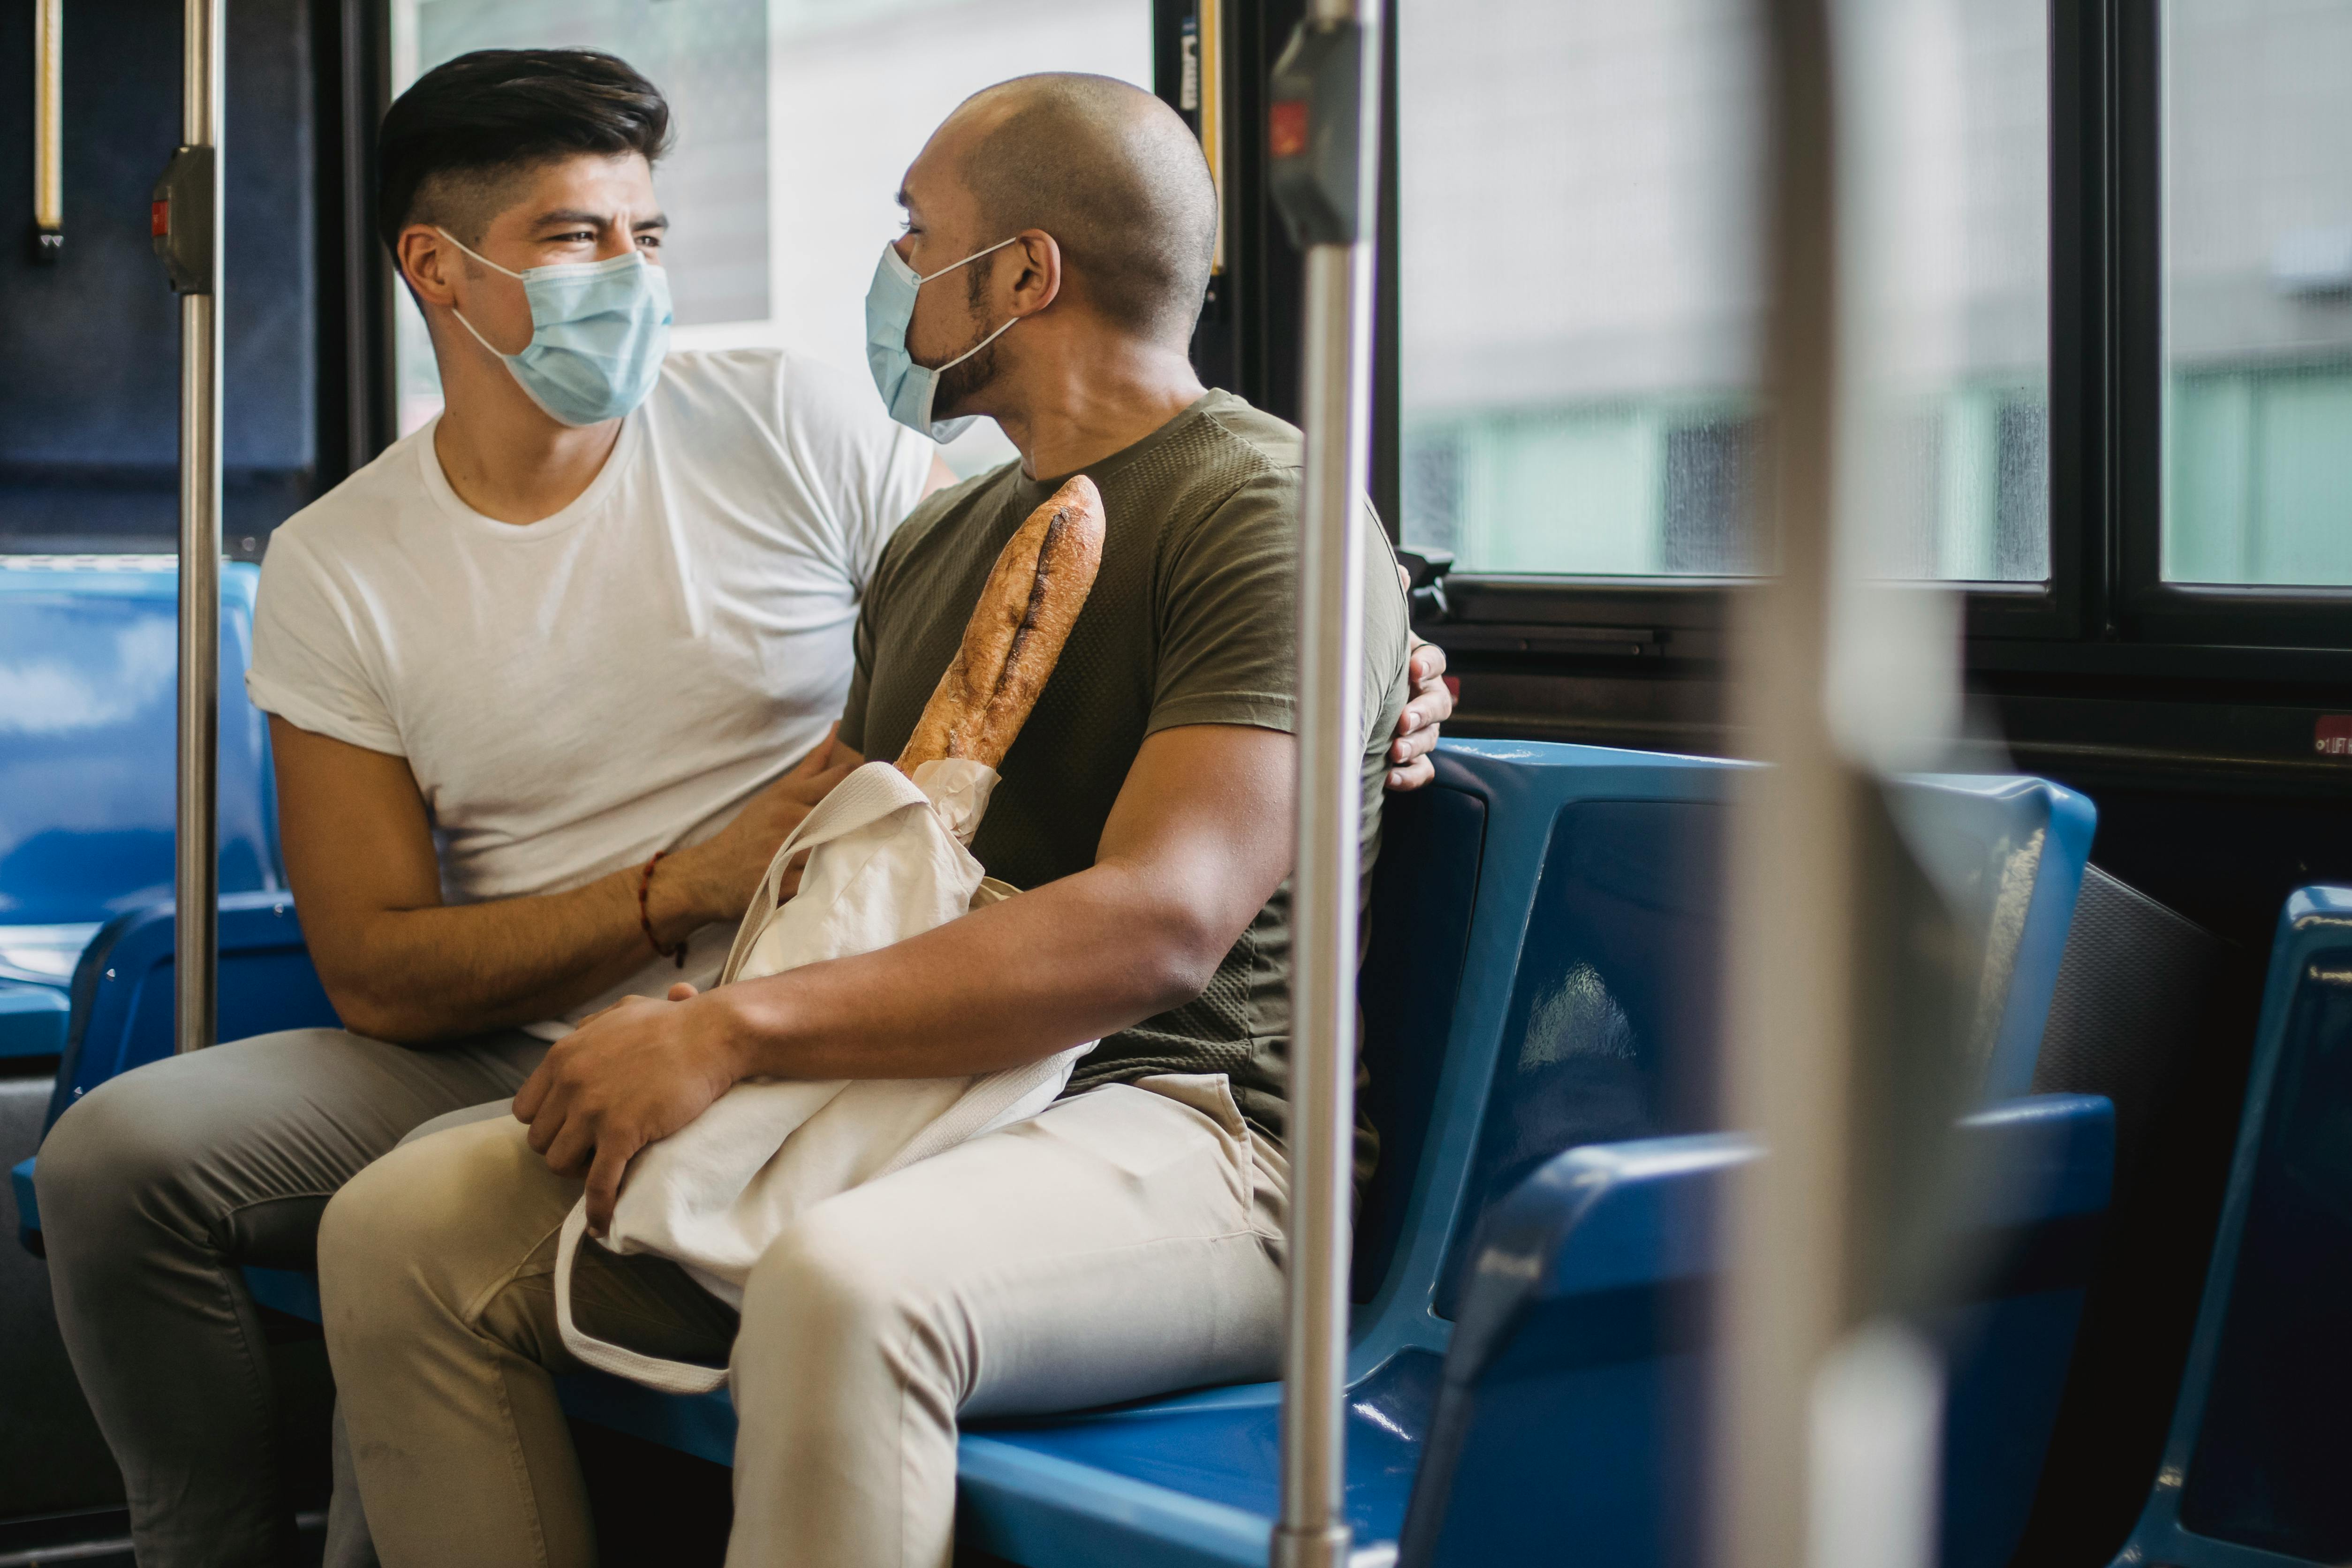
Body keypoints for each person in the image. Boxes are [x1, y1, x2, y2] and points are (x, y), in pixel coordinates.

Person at [33, 49, 1452, 1568]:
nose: (893, 268)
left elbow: (1165, 922)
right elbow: (869, 825)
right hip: (927, 1078)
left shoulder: (1266, 510)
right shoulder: (953, 535)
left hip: (1187, 1121)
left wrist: (723, 1030)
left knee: (842, 1287)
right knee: (396, 1233)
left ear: (1024, 274)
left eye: (916, 233)